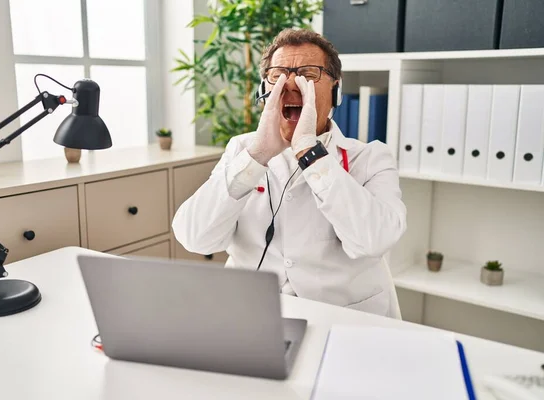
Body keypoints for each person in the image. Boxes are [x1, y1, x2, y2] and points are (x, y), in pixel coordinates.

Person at [172, 28, 407, 318]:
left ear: (336, 91)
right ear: (263, 91)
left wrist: (311, 153)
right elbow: (195, 238)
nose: (292, 85)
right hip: (253, 316)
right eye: (278, 75)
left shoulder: (371, 157)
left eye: (309, 75)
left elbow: (375, 240)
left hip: (343, 318)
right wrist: (256, 157)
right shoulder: (242, 150)